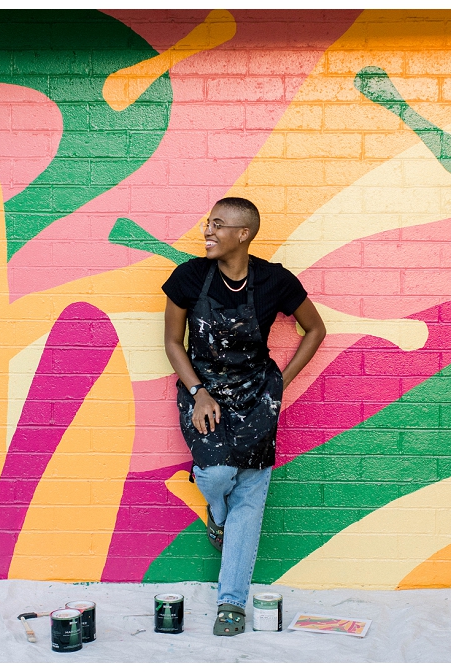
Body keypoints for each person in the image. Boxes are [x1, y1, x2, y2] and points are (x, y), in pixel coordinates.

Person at [162, 197, 326, 636]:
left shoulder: (275, 280)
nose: (207, 231)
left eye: (218, 225)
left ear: (243, 233)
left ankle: (231, 602)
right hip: (205, 395)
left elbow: (316, 329)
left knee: (251, 497)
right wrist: (197, 393)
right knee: (214, 475)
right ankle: (216, 511)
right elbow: (174, 343)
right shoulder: (189, 277)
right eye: (208, 223)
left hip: (258, 397)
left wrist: (281, 383)